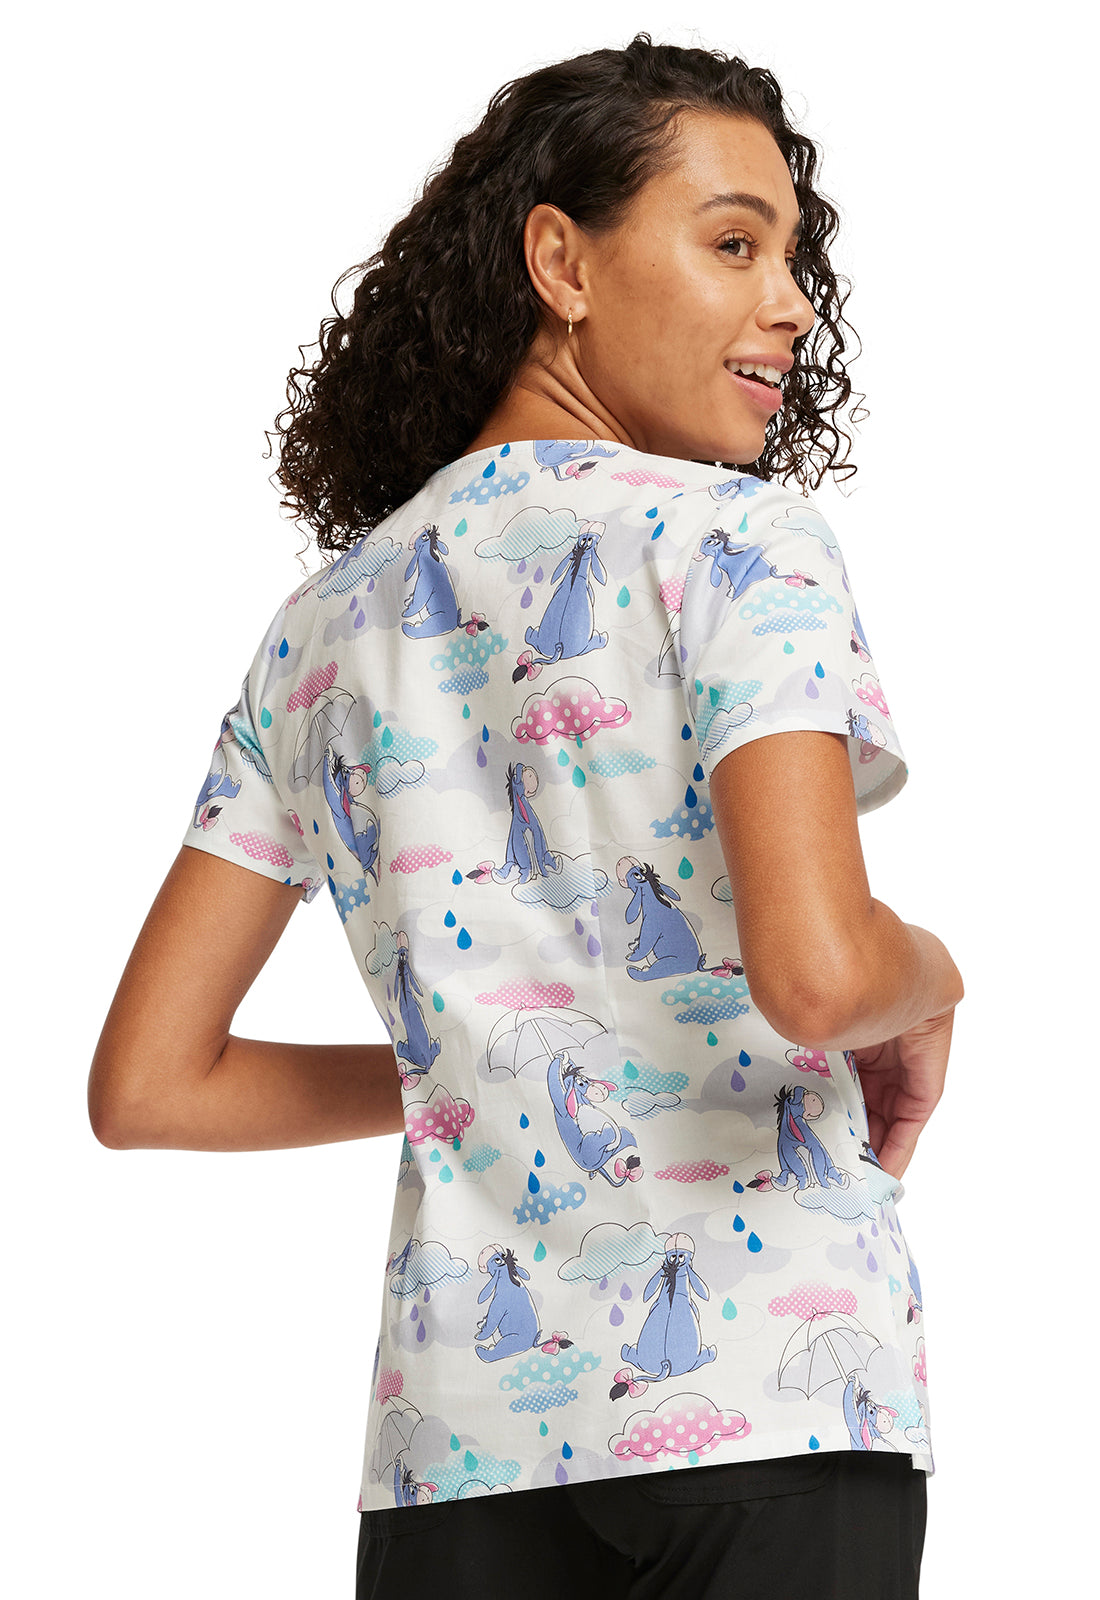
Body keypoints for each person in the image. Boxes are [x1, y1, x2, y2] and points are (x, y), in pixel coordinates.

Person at [88, 34, 963, 1600]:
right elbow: (825, 976)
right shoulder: (737, 542)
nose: (790, 303)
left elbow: (154, 1082)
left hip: (460, 1456)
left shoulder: (325, 626)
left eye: (793, 258)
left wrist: (486, 1069)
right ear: (560, 262)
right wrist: (935, 975)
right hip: (772, 1417)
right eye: (734, 244)